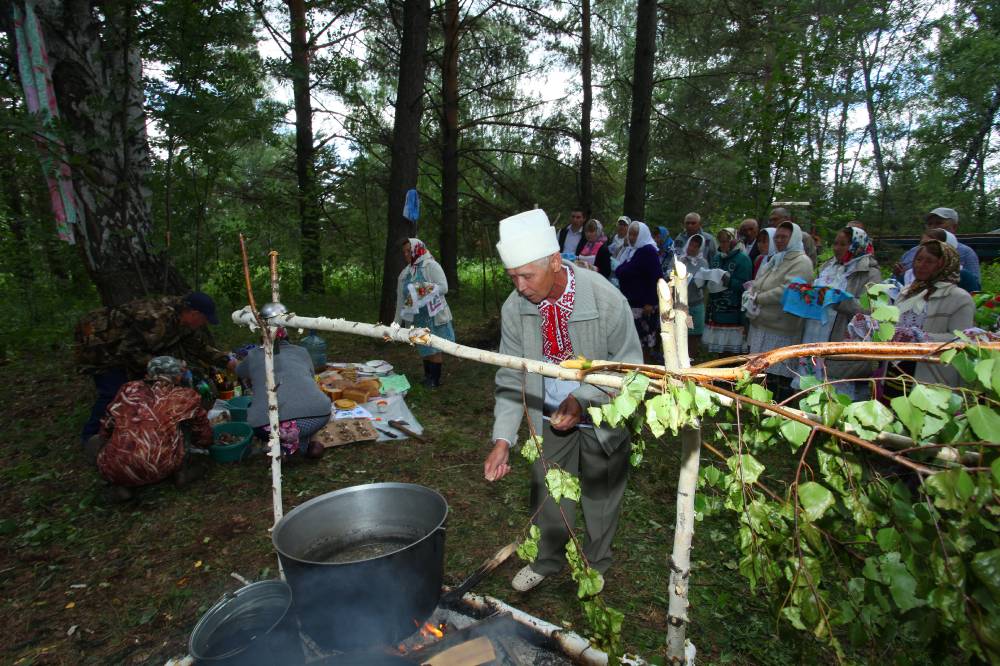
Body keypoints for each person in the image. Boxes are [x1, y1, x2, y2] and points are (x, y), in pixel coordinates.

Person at [483, 208, 643, 593]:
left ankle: (595, 563)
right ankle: (548, 559)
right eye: (512, 277)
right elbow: (510, 373)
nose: (519, 286)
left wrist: (582, 400)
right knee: (549, 489)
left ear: (555, 261)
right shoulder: (516, 308)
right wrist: (503, 439)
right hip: (548, 413)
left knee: (601, 494)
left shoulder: (606, 301)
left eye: (526, 275)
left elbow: (630, 372)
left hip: (601, 410)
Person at [75, 291, 232, 444]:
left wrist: (228, 362)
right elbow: (128, 352)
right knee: (113, 390)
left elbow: (198, 347)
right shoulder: (158, 319)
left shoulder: (183, 322)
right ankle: (91, 437)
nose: (204, 324)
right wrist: (167, 367)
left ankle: (129, 430)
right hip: (101, 345)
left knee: (140, 390)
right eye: (204, 319)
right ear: (194, 313)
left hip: (126, 347)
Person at [86, 356, 213, 502]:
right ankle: (181, 472)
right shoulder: (186, 396)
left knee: (94, 442)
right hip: (161, 467)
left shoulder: (128, 388)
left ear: (148, 374)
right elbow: (204, 435)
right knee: (185, 428)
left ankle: (121, 485)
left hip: (116, 468)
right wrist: (205, 447)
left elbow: (108, 424)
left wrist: (107, 441)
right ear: (177, 377)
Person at [794, 227, 882, 400]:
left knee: (832, 391)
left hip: (839, 334)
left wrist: (840, 300)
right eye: (835, 243)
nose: (837, 248)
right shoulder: (829, 265)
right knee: (809, 385)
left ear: (856, 246)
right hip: (815, 330)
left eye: (843, 244)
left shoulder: (870, 273)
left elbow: (870, 310)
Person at [236, 329, 331, 459]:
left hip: (268, 426)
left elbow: (239, 371)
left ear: (262, 340)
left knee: (258, 411)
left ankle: (285, 447)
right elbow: (310, 376)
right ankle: (302, 444)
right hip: (316, 416)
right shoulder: (301, 351)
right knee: (301, 422)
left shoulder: (253, 355)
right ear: (288, 338)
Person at [744, 222, 814, 399]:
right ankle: (758, 406)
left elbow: (788, 289)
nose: (780, 240)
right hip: (764, 322)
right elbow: (759, 280)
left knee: (777, 374)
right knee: (761, 370)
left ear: (795, 238)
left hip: (782, 327)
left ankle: (775, 410)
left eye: (784, 237)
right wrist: (751, 292)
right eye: (778, 237)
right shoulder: (777, 258)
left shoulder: (802, 262)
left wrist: (759, 298)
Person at [893, 240, 974, 386]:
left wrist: (921, 337)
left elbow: (962, 340)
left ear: (944, 265)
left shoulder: (959, 298)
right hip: (896, 370)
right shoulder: (907, 292)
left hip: (931, 375)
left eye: (929, 261)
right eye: (918, 260)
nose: (921, 265)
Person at [393, 238, 456, 387]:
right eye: (404, 252)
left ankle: (434, 380)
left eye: (409, 251)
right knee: (424, 346)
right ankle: (428, 376)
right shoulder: (405, 273)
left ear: (418, 249)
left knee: (434, 347)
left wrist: (422, 289)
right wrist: (395, 324)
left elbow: (444, 287)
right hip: (419, 317)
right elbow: (401, 301)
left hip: (434, 315)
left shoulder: (431, 266)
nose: (406, 254)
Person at [615, 221, 665, 362]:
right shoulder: (632, 251)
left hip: (643, 306)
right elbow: (621, 270)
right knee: (633, 339)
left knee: (643, 340)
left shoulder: (648, 251)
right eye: (630, 233)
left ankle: (645, 369)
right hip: (632, 302)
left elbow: (656, 277)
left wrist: (650, 302)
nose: (631, 237)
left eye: (634, 234)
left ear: (642, 234)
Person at [893, 208, 980, 281]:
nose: (933, 227)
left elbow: (974, 286)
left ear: (954, 227)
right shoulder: (912, 252)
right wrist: (899, 275)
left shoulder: (966, 253)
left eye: (938, 223)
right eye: (929, 224)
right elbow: (894, 282)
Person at [704, 228, 752, 355]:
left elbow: (746, 286)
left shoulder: (743, 259)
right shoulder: (716, 258)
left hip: (733, 311)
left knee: (732, 351)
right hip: (716, 308)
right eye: (721, 242)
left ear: (733, 242)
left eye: (725, 242)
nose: (722, 245)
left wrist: (729, 281)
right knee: (720, 350)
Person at [901, 229, 981, 293]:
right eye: (923, 245)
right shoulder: (909, 276)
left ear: (947, 250)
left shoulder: (963, 277)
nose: (925, 249)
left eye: (932, 246)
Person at [678, 234, 709, 355]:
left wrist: (701, 279)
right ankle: (681, 358)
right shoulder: (681, 260)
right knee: (683, 332)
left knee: (694, 334)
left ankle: (692, 360)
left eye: (696, 246)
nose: (692, 248)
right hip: (683, 304)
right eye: (691, 244)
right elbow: (669, 274)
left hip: (696, 304)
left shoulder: (703, 262)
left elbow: (706, 280)